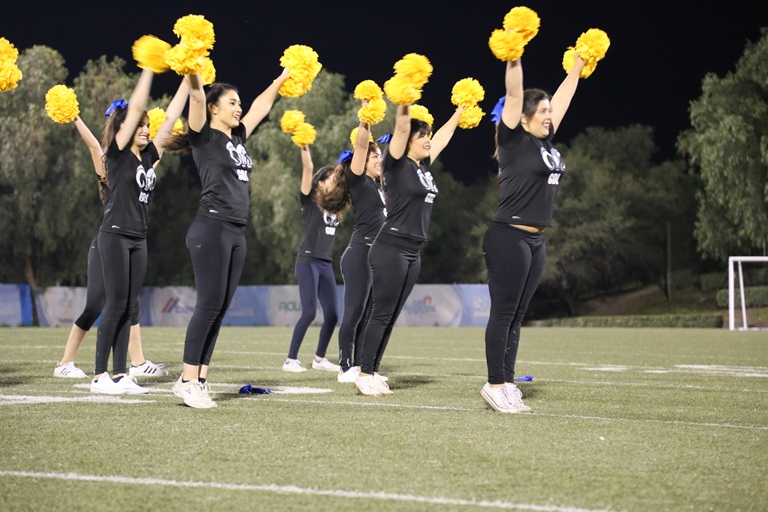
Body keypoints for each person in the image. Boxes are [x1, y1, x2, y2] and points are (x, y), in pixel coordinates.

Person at [169, 68, 290, 408]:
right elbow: (195, 96)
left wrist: (281, 77)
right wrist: (192, 66)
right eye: (232, 102)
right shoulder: (203, 135)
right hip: (211, 227)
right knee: (208, 306)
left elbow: (262, 107)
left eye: (239, 102)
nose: (239, 108)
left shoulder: (237, 138)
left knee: (219, 309)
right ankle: (187, 380)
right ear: (213, 108)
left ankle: (199, 379)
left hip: (236, 230)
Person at [481, 55, 585, 413]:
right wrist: (515, 54)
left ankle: (507, 383)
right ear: (522, 118)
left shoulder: (545, 142)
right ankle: (494, 383)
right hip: (508, 236)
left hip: (536, 239)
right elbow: (513, 92)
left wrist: (578, 66)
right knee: (504, 312)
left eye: (548, 111)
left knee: (517, 314)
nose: (547, 115)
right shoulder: (512, 139)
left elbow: (564, 99)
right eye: (540, 111)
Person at [354, 103, 464, 396]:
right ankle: (364, 373)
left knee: (391, 315)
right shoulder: (396, 163)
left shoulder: (423, 167)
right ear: (407, 142)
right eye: (422, 136)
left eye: (428, 134)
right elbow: (402, 128)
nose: (428, 139)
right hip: (390, 246)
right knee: (381, 313)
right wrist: (404, 99)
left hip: (413, 250)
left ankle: (374, 371)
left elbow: (443, 136)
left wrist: (459, 111)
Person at [90, 70, 187, 394]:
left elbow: (172, 114)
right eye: (141, 125)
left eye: (147, 125)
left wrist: (190, 76)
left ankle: (120, 375)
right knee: (116, 304)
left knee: (130, 305)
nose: (146, 129)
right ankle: (99, 376)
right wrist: (148, 68)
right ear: (125, 128)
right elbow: (135, 107)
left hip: (137, 237)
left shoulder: (147, 156)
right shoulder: (117, 154)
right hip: (115, 234)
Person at [54, 115, 168, 380]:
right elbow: (94, 146)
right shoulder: (110, 161)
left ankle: (136, 362)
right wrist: (74, 116)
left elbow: (155, 154)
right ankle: (65, 363)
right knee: (95, 304)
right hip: (106, 242)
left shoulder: (137, 162)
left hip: (130, 237)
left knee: (129, 302)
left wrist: (161, 128)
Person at [328, 118, 386, 383]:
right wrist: (367, 116)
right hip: (359, 253)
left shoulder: (379, 187)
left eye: (380, 156)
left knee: (369, 313)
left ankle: (361, 365)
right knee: (354, 311)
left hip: (376, 257)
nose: (379, 160)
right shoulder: (360, 181)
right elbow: (361, 145)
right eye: (375, 156)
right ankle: (343, 366)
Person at [282, 144, 343, 374]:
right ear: (320, 182)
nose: (335, 184)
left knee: (333, 315)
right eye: (331, 180)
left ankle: (319, 358)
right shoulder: (309, 200)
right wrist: (304, 143)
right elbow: (308, 167)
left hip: (326, 263)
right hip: (307, 261)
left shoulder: (335, 206)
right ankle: (290, 360)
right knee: (309, 312)